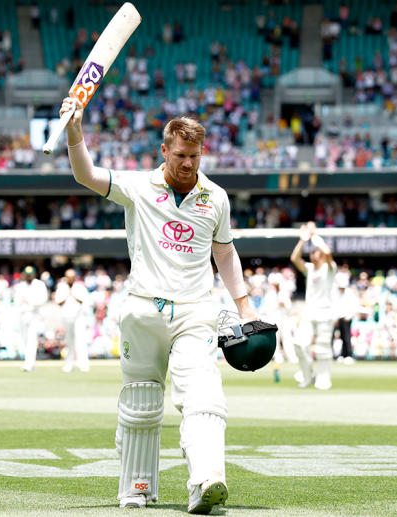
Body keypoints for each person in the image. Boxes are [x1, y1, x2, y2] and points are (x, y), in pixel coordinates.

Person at [60, 96, 257, 513]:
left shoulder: (215, 198)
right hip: (143, 308)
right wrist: (74, 131)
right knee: (141, 403)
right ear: (164, 150)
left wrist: (245, 306)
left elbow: (224, 253)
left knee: (204, 396)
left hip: (195, 311)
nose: (188, 164)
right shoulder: (137, 186)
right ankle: (137, 488)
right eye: (181, 155)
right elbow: (86, 175)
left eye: (195, 156)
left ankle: (206, 481)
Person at [290, 222, 337, 391]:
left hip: (325, 312)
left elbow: (328, 252)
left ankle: (323, 378)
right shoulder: (309, 269)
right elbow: (294, 258)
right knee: (299, 343)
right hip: (309, 312)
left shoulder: (330, 268)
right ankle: (307, 374)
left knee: (323, 348)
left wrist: (314, 235)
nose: (313, 254)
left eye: (316, 251)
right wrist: (303, 240)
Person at [54, 268, 90, 373]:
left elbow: (84, 301)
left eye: (72, 277)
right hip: (67, 316)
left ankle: (83, 364)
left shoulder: (80, 287)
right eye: (68, 277)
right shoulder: (61, 287)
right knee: (69, 341)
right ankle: (69, 364)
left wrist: (73, 295)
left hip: (79, 317)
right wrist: (67, 295)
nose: (70, 279)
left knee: (81, 340)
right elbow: (59, 302)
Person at [16, 265, 48, 372]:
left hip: (34, 314)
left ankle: (30, 363)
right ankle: (28, 362)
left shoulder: (39, 285)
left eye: (30, 275)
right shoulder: (20, 286)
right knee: (25, 339)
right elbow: (17, 301)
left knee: (31, 339)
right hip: (22, 314)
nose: (28, 277)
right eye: (27, 275)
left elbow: (42, 299)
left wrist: (29, 301)